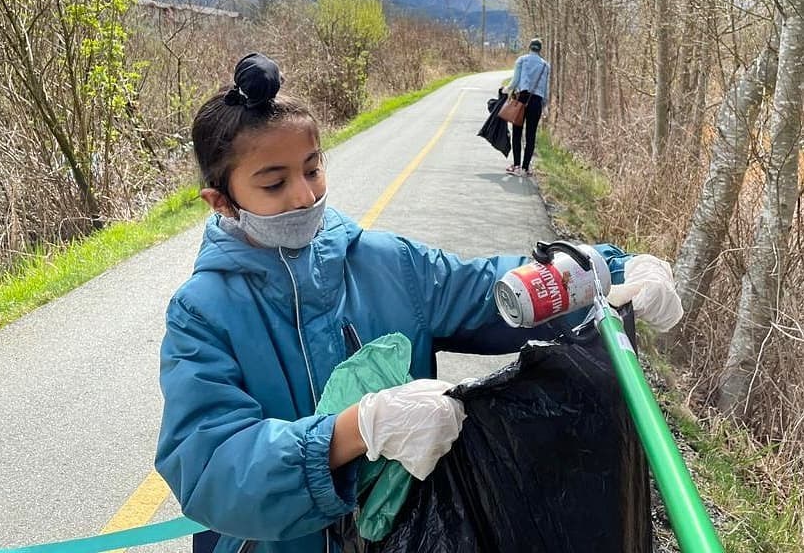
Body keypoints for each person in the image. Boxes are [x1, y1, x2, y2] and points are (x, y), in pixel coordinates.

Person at [154, 52, 677, 553]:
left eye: (312, 169)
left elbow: (487, 289)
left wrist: (604, 270)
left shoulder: (388, 264)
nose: (305, 196)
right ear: (221, 200)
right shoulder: (202, 313)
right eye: (274, 183)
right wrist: (357, 430)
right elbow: (208, 465)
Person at [506, 37, 550, 176]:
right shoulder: (545, 65)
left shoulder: (522, 60)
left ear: (530, 47)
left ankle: (517, 166)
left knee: (517, 133)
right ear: (540, 49)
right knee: (531, 135)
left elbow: (515, 81)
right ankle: (526, 168)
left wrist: (506, 90)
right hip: (536, 101)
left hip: (522, 98)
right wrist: (545, 105)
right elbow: (546, 89)